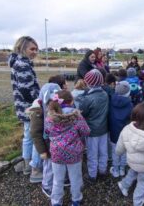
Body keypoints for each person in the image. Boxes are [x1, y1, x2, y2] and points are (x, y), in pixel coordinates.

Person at [45, 90, 90, 206]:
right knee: (75, 178)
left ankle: (56, 202)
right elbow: (86, 131)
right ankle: (76, 200)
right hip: (74, 153)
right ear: (71, 101)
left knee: (57, 179)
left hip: (56, 153)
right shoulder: (77, 117)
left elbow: (47, 132)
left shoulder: (50, 118)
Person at [8, 36, 42, 183]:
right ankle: (35, 170)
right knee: (35, 137)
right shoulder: (22, 64)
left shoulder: (18, 62)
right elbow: (26, 90)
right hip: (29, 107)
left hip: (23, 107)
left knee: (28, 136)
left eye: (36, 49)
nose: (35, 52)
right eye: (32, 49)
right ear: (22, 48)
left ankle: (27, 164)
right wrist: (39, 101)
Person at [76, 69, 109, 182]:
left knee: (92, 154)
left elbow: (82, 113)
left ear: (88, 83)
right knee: (103, 151)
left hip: (92, 130)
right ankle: (103, 170)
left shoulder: (88, 98)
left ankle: (92, 175)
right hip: (104, 128)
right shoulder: (105, 94)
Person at [29, 81, 61, 196]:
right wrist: (42, 151)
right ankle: (47, 186)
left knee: (57, 166)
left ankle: (57, 182)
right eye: (49, 101)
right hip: (47, 146)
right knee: (49, 167)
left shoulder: (57, 107)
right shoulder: (38, 112)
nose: (52, 104)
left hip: (57, 144)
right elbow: (35, 133)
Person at [109, 81, 133, 178]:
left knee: (115, 152)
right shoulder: (130, 104)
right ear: (128, 92)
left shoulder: (111, 101)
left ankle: (116, 170)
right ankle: (122, 169)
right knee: (124, 151)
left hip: (114, 131)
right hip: (126, 132)